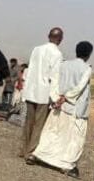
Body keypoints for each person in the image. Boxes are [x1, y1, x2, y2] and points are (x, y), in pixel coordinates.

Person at [30, 41, 94, 177]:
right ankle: (66, 165)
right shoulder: (87, 68)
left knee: (52, 132)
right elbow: (79, 87)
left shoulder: (63, 65)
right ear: (89, 54)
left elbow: (55, 82)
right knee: (73, 138)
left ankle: (38, 155)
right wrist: (66, 97)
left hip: (59, 106)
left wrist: (56, 98)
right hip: (75, 109)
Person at [20, 27, 64, 158]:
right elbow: (54, 77)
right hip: (44, 92)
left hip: (31, 90)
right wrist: (55, 97)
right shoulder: (57, 54)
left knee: (29, 121)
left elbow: (30, 69)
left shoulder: (36, 49)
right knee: (39, 124)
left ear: (48, 36)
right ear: (60, 39)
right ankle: (31, 151)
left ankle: (23, 149)